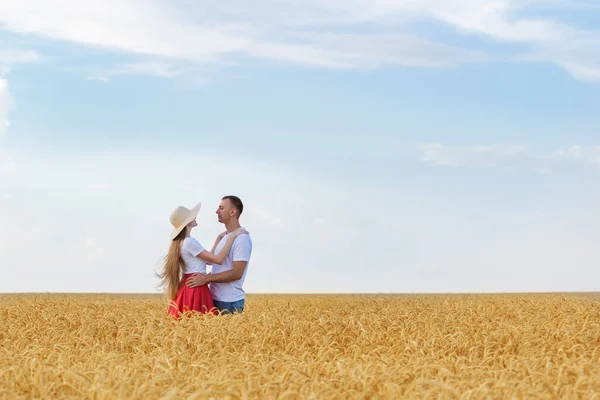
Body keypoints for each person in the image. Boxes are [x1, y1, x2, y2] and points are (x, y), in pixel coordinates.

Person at [157, 201, 247, 319]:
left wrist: (218, 238)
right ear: (188, 222)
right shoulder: (190, 242)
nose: (194, 216)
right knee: (200, 321)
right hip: (197, 285)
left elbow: (209, 260)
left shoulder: (182, 242)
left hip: (189, 284)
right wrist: (232, 237)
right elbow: (218, 260)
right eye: (191, 216)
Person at [187, 195, 252, 315]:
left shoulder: (241, 238)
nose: (217, 211)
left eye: (221, 208)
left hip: (229, 302)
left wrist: (206, 278)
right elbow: (211, 261)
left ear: (233, 212)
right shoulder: (225, 237)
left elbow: (237, 273)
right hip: (215, 298)